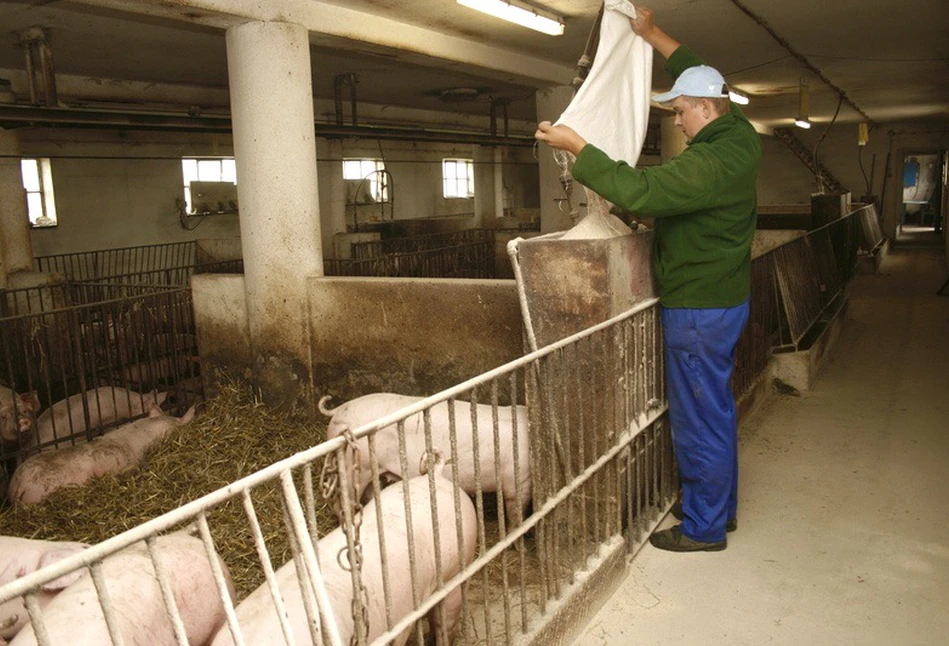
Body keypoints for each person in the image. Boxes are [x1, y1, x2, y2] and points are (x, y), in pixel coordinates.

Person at [535, 7, 761, 552]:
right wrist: (652, 34)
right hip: (722, 297)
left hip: (699, 309)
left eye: (682, 111)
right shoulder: (738, 136)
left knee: (699, 415)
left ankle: (704, 529)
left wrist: (577, 147)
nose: (677, 120)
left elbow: (642, 191)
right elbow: (699, 67)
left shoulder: (708, 164)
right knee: (716, 408)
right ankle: (718, 508)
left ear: (706, 108)